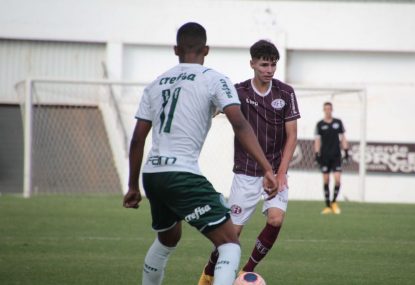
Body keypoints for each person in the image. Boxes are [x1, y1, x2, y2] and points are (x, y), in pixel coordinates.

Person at [123, 22, 278, 285]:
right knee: (230, 243)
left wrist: (132, 185)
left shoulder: (156, 84)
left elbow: (138, 139)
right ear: (206, 49)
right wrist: (266, 168)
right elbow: (239, 124)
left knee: (168, 238)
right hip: (182, 174)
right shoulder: (214, 79)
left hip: (153, 175)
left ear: (176, 49)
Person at [199, 40, 300, 284]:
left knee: (275, 219)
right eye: (264, 64)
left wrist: (282, 173)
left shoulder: (285, 93)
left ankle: (246, 271)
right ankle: (209, 273)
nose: (269, 69)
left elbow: (292, 135)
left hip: (275, 173)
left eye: (273, 65)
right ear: (252, 64)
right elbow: (213, 108)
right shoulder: (238, 91)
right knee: (231, 234)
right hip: (246, 173)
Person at [314, 102, 349, 215]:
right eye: (326, 109)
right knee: (326, 180)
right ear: (324, 110)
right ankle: (327, 206)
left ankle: (334, 202)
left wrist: (346, 152)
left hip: (336, 156)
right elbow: (317, 140)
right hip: (325, 156)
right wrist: (316, 154)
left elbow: (343, 138)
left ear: (332, 109)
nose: (328, 111)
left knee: (338, 179)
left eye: (329, 109)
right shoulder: (320, 124)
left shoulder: (338, 123)